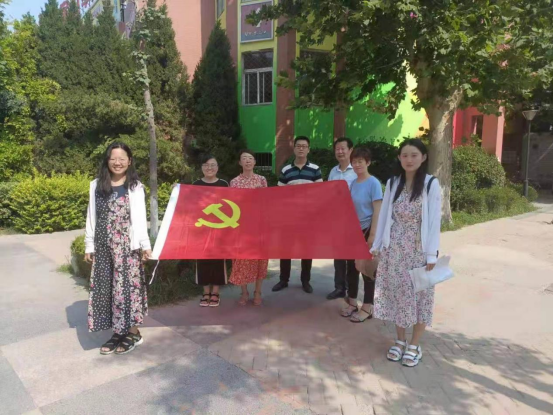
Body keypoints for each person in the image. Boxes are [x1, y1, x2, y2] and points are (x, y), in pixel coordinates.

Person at [371, 138, 441, 367]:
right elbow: (384, 215)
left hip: (419, 251)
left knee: (421, 297)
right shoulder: (393, 183)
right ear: (399, 158)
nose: (409, 160)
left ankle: (414, 345)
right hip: (394, 251)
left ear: (423, 157)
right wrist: (378, 245)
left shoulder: (430, 184)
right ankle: (400, 341)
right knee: (398, 296)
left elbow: (434, 222)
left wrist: (431, 255)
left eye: (414, 155)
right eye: (405, 155)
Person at [84, 142, 151, 355]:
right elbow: (91, 216)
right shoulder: (96, 185)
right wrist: (89, 245)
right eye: (113, 158)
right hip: (104, 246)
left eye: (122, 158)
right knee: (108, 290)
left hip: (127, 248)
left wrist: (145, 245)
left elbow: (140, 219)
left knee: (127, 290)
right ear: (107, 160)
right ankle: (118, 332)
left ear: (129, 161)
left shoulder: (135, 187)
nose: (117, 162)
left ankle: (133, 332)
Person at [272, 136, 323, 294]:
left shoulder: (315, 169)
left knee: (307, 250)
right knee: (285, 249)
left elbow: (320, 193)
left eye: (304, 146)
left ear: (308, 149)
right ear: (294, 149)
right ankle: (283, 279)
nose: (301, 148)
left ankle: (305, 281)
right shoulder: (286, 170)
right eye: (298, 146)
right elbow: (279, 193)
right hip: (289, 218)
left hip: (308, 219)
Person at [340, 147, 382, 322]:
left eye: (360, 161)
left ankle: (367, 307)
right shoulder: (353, 183)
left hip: (367, 231)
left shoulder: (374, 183)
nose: (357, 165)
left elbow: (377, 210)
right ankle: (352, 303)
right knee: (351, 269)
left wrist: (372, 235)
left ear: (368, 163)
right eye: (354, 162)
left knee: (367, 270)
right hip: (353, 232)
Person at [229, 150, 269, 306]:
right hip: (241, 226)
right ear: (240, 163)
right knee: (241, 259)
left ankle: (257, 291)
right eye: (244, 158)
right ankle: (244, 291)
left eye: (250, 158)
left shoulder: (261, 180)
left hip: (259, 225)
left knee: (260, 258)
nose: (247, 161)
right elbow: (232, 204)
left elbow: (267, 202)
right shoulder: (234, 182)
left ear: (254, 162)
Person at [192, 155, 229, 308]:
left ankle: (215, 293)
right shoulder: (196, 185)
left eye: (213, 165)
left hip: (220, 229)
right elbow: (190, 205)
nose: (209, 168)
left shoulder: (224, 184)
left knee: (218, 261)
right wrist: (178, 189)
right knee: (202, 261)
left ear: (217, 167)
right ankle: (205, 292)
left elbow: (230, 205)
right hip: (201, 229)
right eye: (206, 165)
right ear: (202, 167)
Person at [326, 137, 357, 300]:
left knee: (351, 258)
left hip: (353, 220)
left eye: (343, 148)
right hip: (336, 220)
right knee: (338, 256)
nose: (340, 152)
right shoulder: (333, 171)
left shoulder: (357, 170)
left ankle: (352, 291)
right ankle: (339, 288)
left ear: (350, 150)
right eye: (337, 149)